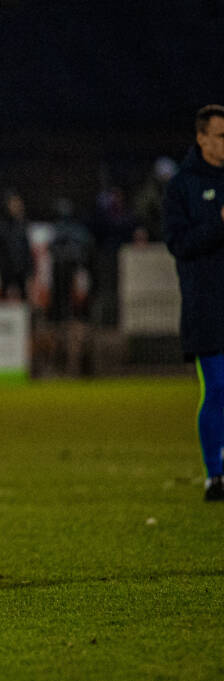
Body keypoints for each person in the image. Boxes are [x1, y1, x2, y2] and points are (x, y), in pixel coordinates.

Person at [163, 104, 224, 502]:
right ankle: (214, 476)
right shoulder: (182, 187)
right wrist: (219, 223)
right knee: (217, 388)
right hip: (207, 307)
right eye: (221, 136)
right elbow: (179, 244)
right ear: (202, 138)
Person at [0, 189, 35, 301]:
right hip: (6, 267)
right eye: (14, 203)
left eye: (18, 203)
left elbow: (26, 247)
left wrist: (30, 268)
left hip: (21, 267)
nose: (17, 206)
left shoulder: (22, 222)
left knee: (24, 296)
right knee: (5, 296)